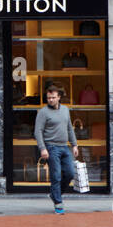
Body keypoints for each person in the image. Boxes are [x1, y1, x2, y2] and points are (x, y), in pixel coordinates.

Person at [34, 82, 79, 214]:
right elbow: (38, 131)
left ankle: (55, 195)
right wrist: (42, 148)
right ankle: (58, 204)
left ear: (59, 97)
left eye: (53, 97)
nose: (51, 100)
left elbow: (70, 128)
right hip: (51, 147)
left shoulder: (65, 110)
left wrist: (74, 144)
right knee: (56, 176)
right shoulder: (43, 112)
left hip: (65, 147)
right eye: (48, 98)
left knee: (70, 173)